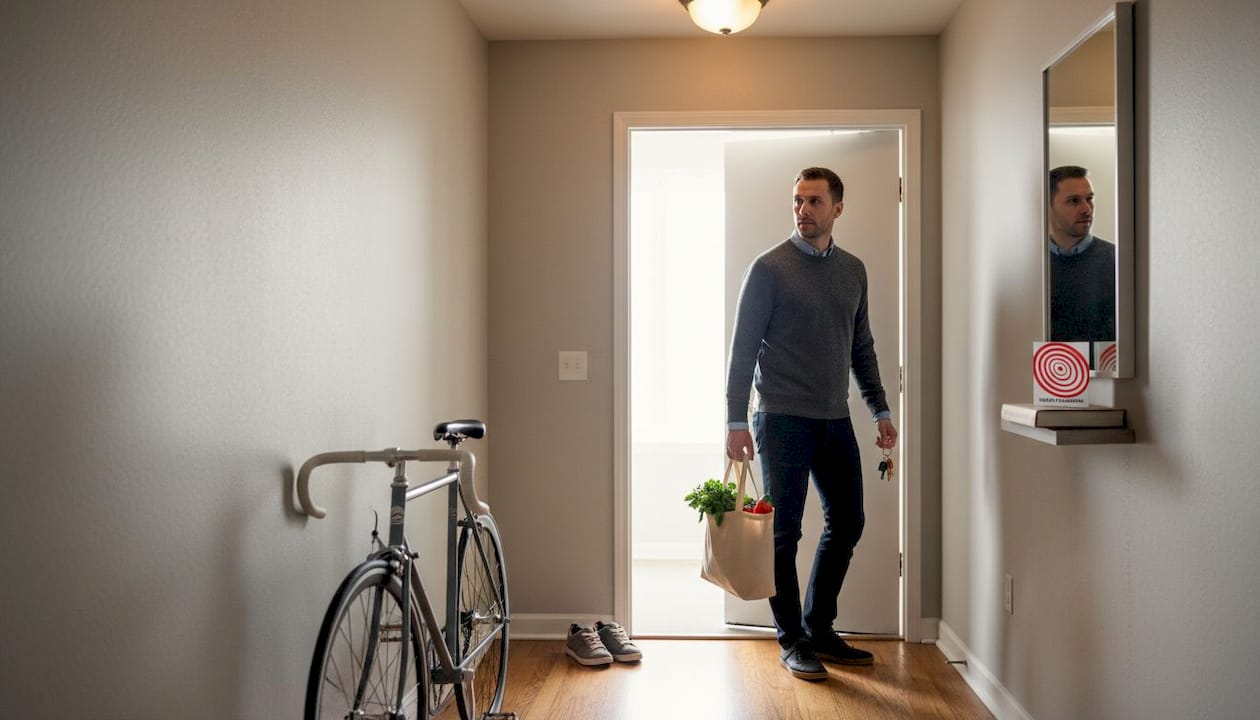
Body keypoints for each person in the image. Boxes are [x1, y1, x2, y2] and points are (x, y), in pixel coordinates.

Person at [725, 166, 898, 681]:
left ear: (837, 208)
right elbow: (742, 350)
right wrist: (735, 419)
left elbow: (861, 346)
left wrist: (880, 409)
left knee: (848, 521)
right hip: (780, 419)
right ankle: (792, 640)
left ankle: (818, 627)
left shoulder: (853, 270)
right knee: (783, 533)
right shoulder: (768, 268)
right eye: (798, 200)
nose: (803, 210)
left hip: (834, 417)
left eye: (815, 201)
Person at [1048, 165, 1115, 343]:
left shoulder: (1118, 262)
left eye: (1089, 199)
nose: (1087, 209)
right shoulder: (1029, 268)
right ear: (1047, 207)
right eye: (1074, 201)